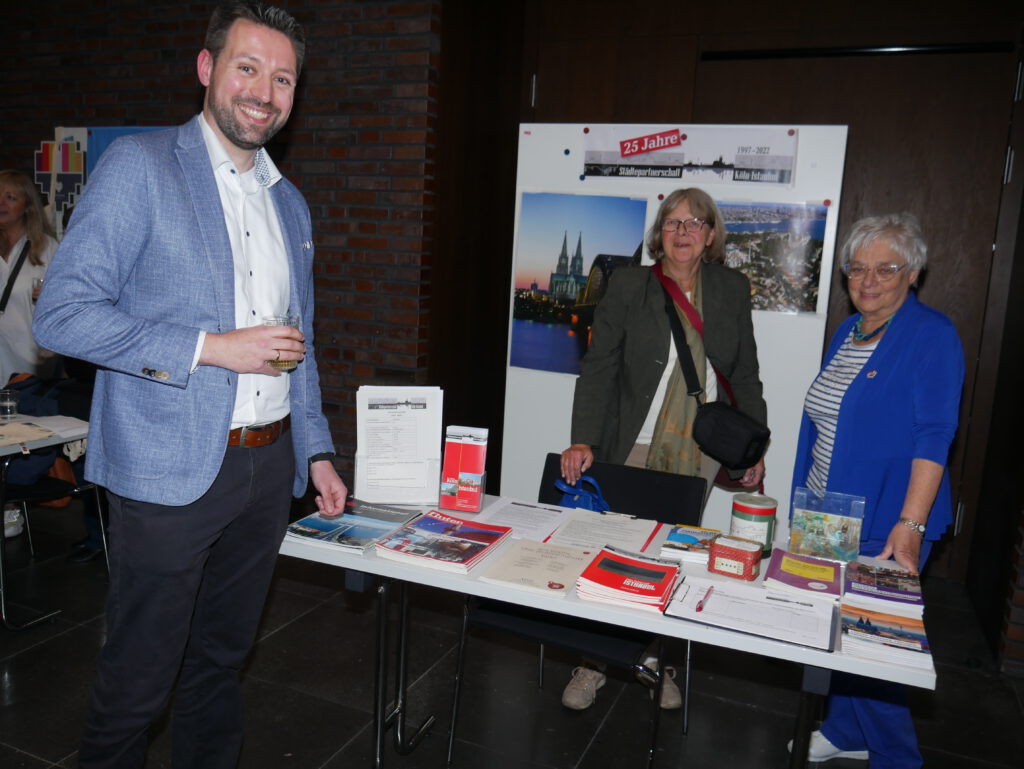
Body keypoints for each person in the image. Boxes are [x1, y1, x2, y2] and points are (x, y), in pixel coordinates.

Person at [33, 3, 347, 767]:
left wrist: (315, 450)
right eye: (248, 68)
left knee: (221, 665)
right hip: (166, 468)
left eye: (283, 79)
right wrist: (211, 348)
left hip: (268, 469)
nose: (264, 92)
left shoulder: (290, 202)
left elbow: (297, 342)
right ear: (207, 69)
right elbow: (62, 314)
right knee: (139, 682)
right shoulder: (141, 167)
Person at [558, 187, 767, 710]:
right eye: (673, 222)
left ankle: (655, 659)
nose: (682, 232)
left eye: (694, 222)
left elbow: (745, 374)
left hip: (698, 451)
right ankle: (593, 662)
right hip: (633, 440)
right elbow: (599, 366)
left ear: (710, 234)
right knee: (613, 553)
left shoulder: (731, 289)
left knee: (672, 557)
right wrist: (583, 437)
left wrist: (753, 446)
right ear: (660, 233)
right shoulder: (631, 285)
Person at [788, 212, 963, 767]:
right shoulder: (849, 331)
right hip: (827, 514)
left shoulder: (932, 335)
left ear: (913, 273)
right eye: (857, 268)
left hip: (888, 521)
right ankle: (844, 730)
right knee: (834, 634)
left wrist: (910, 526)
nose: (868, 281)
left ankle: (897, 757)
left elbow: (935, 433)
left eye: (885, 269)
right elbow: (828, 421)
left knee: (872, 649)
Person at [0, 169, 59, 384]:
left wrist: (52, 296)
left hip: (29, 363)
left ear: (28, 207)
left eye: (11, 197)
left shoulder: (47, 248)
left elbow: (67, 304)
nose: (1, 203)